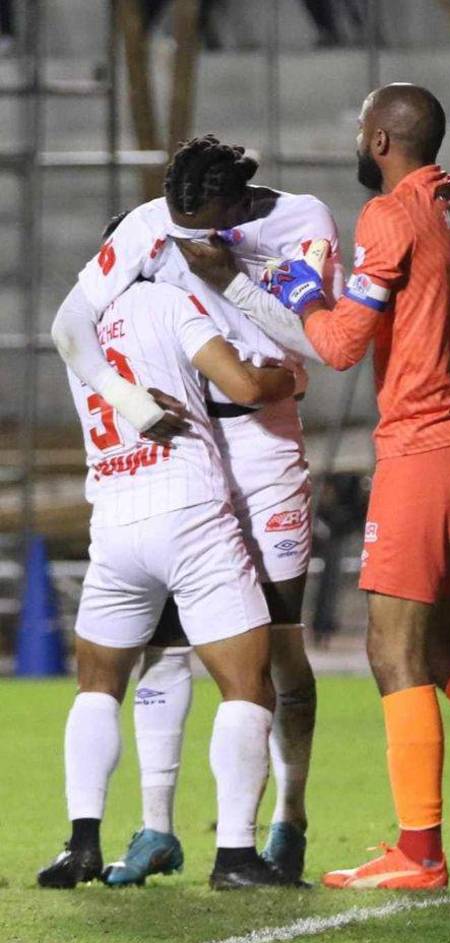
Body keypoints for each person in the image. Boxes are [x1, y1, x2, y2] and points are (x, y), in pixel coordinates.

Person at [179, 82, 450, 892]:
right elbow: (401, 301)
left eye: (363, 130)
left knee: (389, 646)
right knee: (436, 643)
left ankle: (420, 850)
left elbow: (337, 346)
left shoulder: (388, 214)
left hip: (424, 446)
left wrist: (253, 287)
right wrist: (297, 285)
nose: (358, 143)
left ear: (381, 141)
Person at [49, 135, 343, 886]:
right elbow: (71, 323)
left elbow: (320, 343)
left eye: (198, 228)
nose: (178, 241)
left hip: (262, 442)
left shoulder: (304, 221)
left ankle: (288, 820)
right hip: (184, 444)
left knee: (277, 647)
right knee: (166, 646)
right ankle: (158, 826)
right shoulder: (150, 224)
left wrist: (234, 283)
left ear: (235, 208)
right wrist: (129, 400)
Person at [38, 274, 298, 890]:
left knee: (97, 687)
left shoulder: (80, 328)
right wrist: (285, 377)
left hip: (115, 516)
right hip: (187, 510)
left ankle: (82, 844)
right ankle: (235, 856)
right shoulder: (165, 299)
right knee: (247, 685)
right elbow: (242, 385)